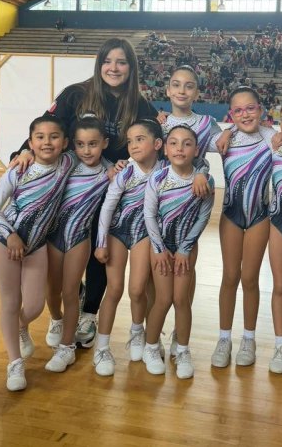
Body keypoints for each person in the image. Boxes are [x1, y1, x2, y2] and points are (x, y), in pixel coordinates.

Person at [13, 38, 159, 349]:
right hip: (69, 189)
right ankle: (64, 309)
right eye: (108, 61)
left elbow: (156, 142)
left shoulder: (142, 106)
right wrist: (24, 151)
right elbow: (48, 126)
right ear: (99, 64)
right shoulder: (75, 94)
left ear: (131, 68)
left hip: (112, 191)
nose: (114, 68)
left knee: (99, 252)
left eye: (121, 62)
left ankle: (89, 313)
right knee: (61, 252)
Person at [0, 115, 76, 391]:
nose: (47, 142)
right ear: (30, 142)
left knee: (36, 305)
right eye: (40, 137)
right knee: (11, 302)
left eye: (54, 137)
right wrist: (10, 235)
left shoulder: (67, 163)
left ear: (65, 142)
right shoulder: (18, 170)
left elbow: (95, 155)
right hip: (5, 243)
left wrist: (115, 168)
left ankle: (20, 326)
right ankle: (14, 363)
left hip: (36, 246)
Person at [93, 119, 166, 376]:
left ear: (157, 144)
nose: (133, 145)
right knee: (114, 289)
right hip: (117, 232)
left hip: (144, 234)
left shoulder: (166, 171)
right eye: (130, 141)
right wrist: (101, 242)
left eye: (140, 139)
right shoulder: (125, 171)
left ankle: (137, 331)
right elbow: (108, 206)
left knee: (137, 289)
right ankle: (102, 347)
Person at [142, 125, 215, 379]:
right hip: (159, 247)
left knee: (181, 300)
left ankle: (182, 350)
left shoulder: (205, 181)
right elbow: (149, 215)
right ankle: (151, 347)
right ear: (165, 148)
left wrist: (185, 249)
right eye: (173, 143)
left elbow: (203, 217)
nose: (179, 148)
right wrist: (159, 249)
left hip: (187, 247)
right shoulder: (158, 179)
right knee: (163, 300)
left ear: (196, 150)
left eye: (186, 143)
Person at [160, 65, 223, 355]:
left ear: (197, 92)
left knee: (186, 269)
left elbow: (224, 143)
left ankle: (179, 331)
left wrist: (202, 171)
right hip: (159, 204)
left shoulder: (206, 123)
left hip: (189, 205)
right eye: (176, 84)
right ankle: (153, 331)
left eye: (189, 86)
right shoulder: (158, 121)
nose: (182, 91)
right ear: (167, 90)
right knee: (156, 275)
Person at [211, 87, 275, 368]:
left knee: (249, 278)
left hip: (260, 216)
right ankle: (224, 338)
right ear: (231, 115)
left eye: (250, 108)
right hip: (231, 216)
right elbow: (186, 143)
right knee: (229, 276)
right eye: (238, 110)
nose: (245, 114)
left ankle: (249, 338)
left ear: (260, 109)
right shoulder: (223, 139)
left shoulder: (272, 138)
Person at [43, 115, 112, 373]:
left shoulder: (110, 170)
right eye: (81, 144)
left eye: (93, 144)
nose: (86, 150)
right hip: (53, 237)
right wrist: (24, 153)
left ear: (104, 143)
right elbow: (42, 155)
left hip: (80, 239)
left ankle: (67, 347)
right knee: (52, 290)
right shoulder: (67, 161)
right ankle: (57, 319)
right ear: (73, 144)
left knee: (70, 292)